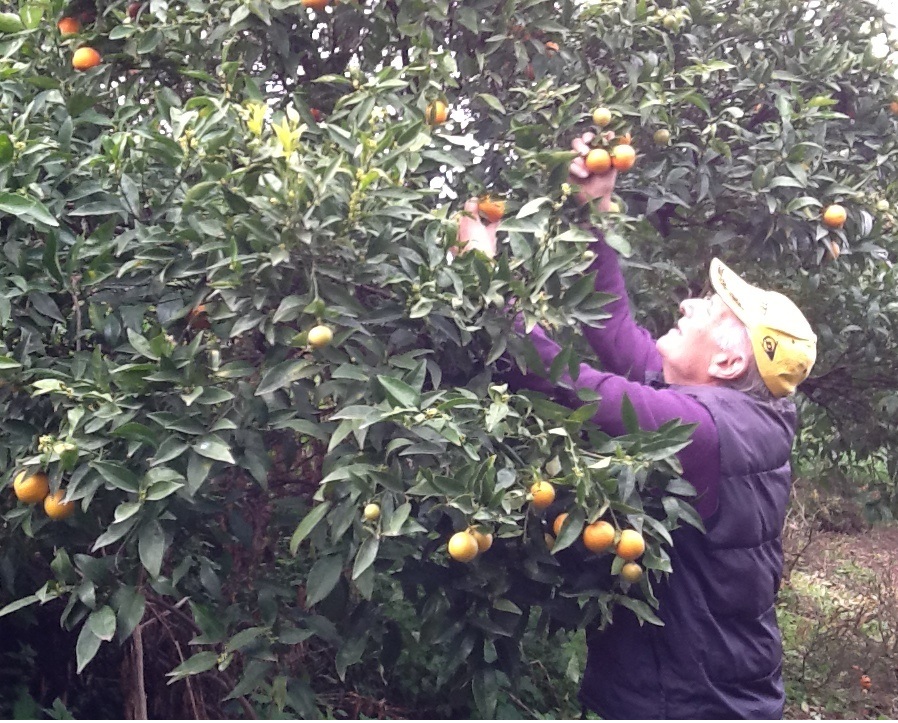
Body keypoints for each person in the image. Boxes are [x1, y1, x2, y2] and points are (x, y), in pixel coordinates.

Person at [455, 132, 818, 719]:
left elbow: (566, 383)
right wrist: (596, 209)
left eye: (709, 309)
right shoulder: (717, 405)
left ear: (728, 362)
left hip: (693, 706)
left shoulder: (704, 433)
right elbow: (615, 327)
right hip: (695, 691)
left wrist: (483, 278)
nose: (687, 305)